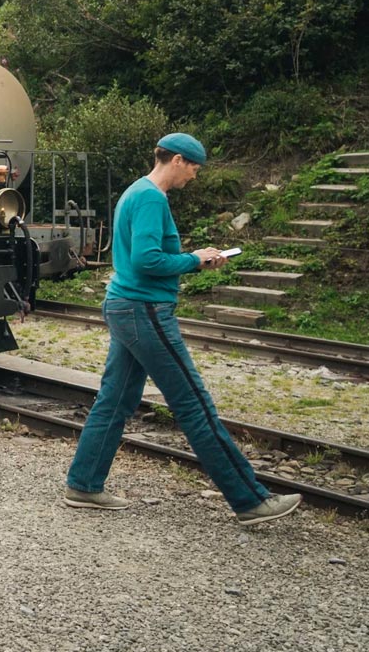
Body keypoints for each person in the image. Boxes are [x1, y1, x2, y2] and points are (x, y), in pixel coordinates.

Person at [64, 133, 301, 526]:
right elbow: (146, 260)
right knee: (193, 404)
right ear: (176, 160)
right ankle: (251, 500)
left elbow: (144, 257)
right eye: (193, 166)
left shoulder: (136, 192)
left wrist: (194, 259)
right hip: (144, 310)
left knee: (116, 398)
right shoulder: (152, 198)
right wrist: (195, 259)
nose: (194, 175)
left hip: (127, 306)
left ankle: (84, 484)